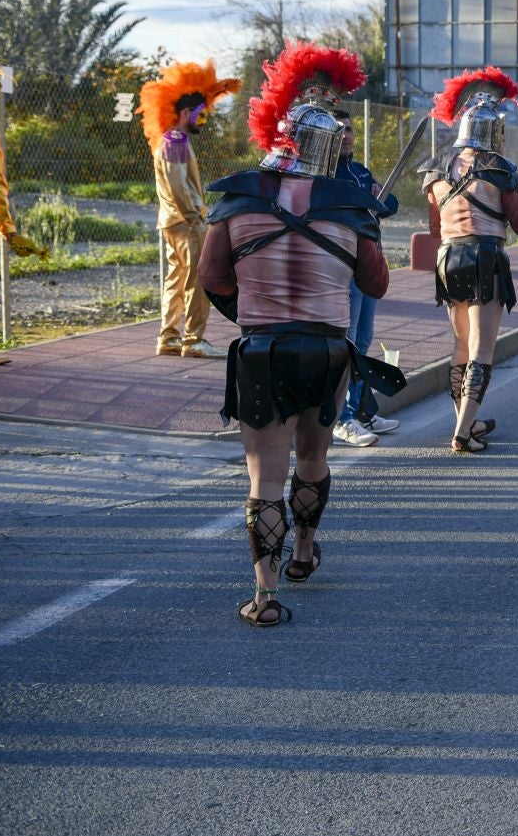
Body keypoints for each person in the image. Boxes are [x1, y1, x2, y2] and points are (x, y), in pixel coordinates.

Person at [198, 42, 403, 626]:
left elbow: (210, 277)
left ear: (276, 137)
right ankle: (306, 553)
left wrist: (251, 312)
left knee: (264, 473)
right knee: (312, 457)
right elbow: (377, 285)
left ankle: (264, 595)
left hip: (262, 348)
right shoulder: (350, 206)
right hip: (328, 349)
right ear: (329, 145)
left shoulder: (236, 202)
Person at [424, 67, 518, 453]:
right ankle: (461, 432)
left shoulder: (437, 169)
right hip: (484, 256)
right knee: (481, 350)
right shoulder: (500, 170)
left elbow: (434, 223)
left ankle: (466, 422)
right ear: (495, 134)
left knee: (459, 346)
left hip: (447, 256)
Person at [142, 59, 239, 359]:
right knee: (197, 279)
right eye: (199, 114)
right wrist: (199, 216)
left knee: (176, 278)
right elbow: (178, 185)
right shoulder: (175, 140)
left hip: (172, 222)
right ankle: (194, 339)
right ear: (185, 113)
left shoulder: (169, 139)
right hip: (187, 223)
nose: (202, 119)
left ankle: (169, 337)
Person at [332, 109, 400, 447]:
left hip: (368, 268)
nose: (346, 135)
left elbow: (390, 204)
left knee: (363, 342)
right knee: (347, 343)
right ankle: (341, 419)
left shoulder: (359, 171)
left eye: (349, 130)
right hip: (343, 270)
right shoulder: (325, 176)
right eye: (339, 130)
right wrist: (366, 201)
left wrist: (377, 198)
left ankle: (360, 410)